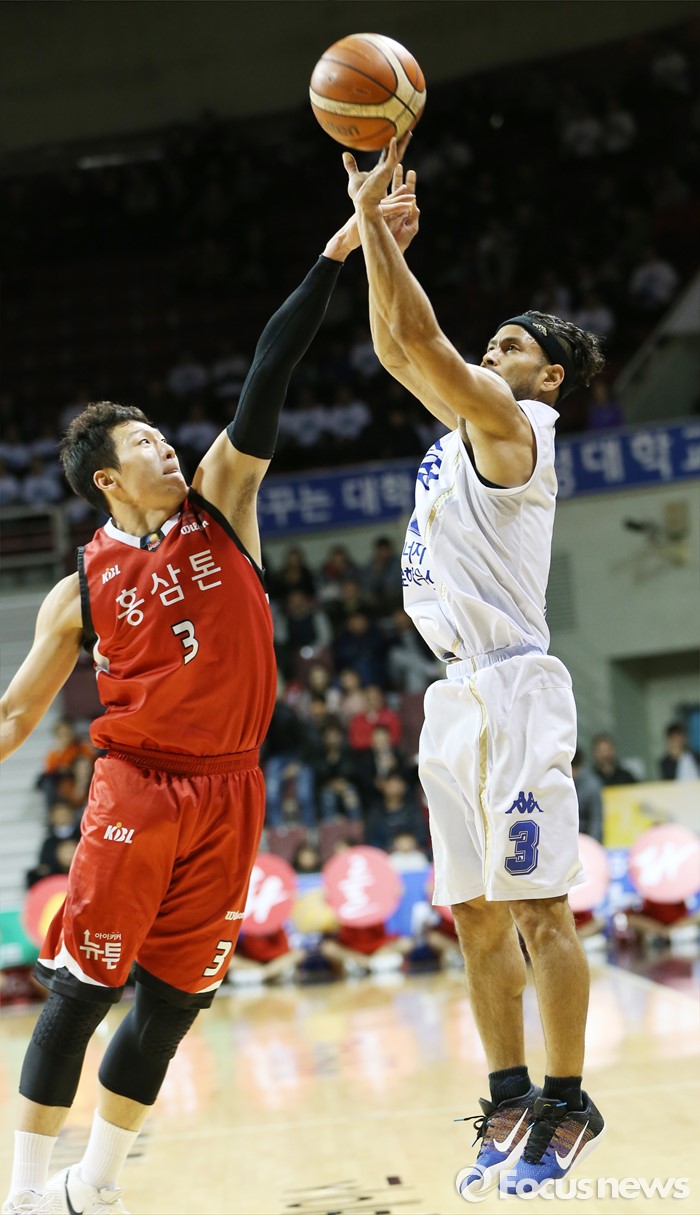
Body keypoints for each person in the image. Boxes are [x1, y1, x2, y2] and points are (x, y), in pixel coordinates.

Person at [0, 191, 415, 1215]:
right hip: (136, 787)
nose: (167, 447)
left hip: (232, 792)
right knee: (83, 991)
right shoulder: (79, 588)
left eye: (162, 434)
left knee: (177, 1001)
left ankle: (93, 1187)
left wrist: (337, 251)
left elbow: (270, 369)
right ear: (108, 478)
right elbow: (13, 718)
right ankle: (20, 1193)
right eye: (144, 442)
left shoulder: (223, 503)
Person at [344, 137, 607, 1198]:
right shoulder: (461, 423)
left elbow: (419, 339)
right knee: (474, 910)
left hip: (514, 685)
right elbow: (394, 346)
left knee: (541, 910)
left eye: (510, 344)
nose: (492, 351)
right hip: (454, 691)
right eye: (489, 341)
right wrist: (380, 242)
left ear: (547, 377)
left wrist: (377, 229)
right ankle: (507, 1092)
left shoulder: (515, 423)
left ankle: (568, 1099)